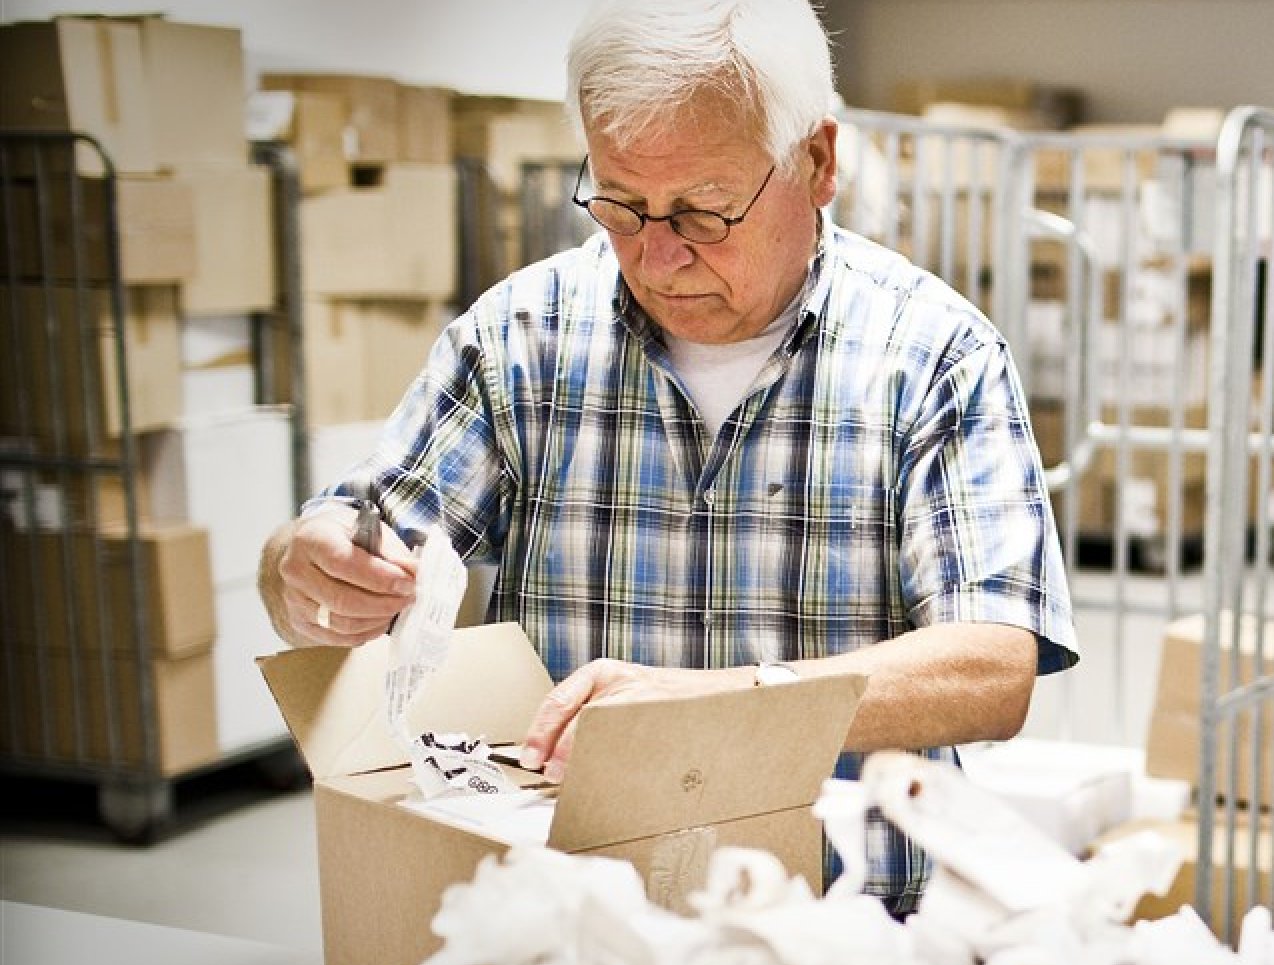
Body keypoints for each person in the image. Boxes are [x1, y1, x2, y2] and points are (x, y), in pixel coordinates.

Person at [257, 0, 1078, 916]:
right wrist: (308, 569)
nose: (655, 256)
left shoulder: (934, 356)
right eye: (618, 203)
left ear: (816, 162)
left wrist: (723, 704)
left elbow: (994, 665)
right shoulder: (522, 336)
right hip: (580, 927)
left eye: (703, 211)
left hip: (848, 937)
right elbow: (362, 545)